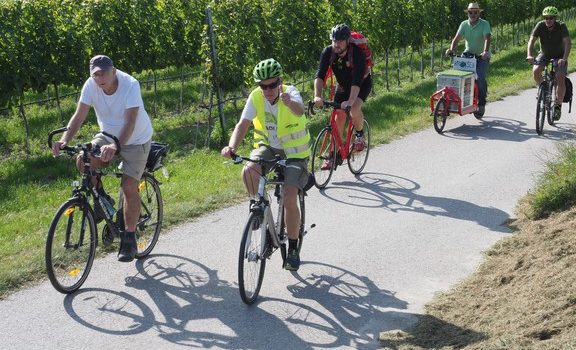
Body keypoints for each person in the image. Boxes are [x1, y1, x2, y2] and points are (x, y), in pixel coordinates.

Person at [51, 55, 153, 263]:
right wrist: (63, 141)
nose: (100, 78)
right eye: (95, 74)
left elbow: (131, 121)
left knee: (128, 186)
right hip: (107, 135)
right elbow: (79, 116)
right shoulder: (91, 85)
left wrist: (116, 146)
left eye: (103, 73)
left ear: (113, 71)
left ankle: (129, 238)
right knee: (83, 160)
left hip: (136, 138)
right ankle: (102, 201)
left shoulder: (130, 85)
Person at [221, 58, 310, 271]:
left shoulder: (290, 93)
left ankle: (294, 249)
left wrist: (290, 103)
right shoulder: (255, 97)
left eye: (272, 85)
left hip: (294, 153)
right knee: (248, 170)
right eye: (263, 85)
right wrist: (231, 146)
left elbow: (299, 110)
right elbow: (243, 124)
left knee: (289, 197)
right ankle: (259, 209)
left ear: (280, 82)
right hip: (268, 147)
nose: (268, 89)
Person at [313, 23, 372, 169]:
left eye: (339, 41)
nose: (336, 44)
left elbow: (357, 81)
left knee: (354, 109)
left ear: (347, 41)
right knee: (338, 117)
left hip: (362, 83)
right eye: (334, 41)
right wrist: (317, 96)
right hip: (344, 85)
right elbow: (320, 75)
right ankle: (333, 156)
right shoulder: (328, 52)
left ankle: (359, 135)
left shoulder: (357, 54)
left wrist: (350, 102)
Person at [446, 2, 491, 117]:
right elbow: (456, 39)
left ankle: (481, 103)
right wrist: (451, 49)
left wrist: (485, 52)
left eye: (475, 12)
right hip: (468, 54)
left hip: (481, 56)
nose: (473, 14)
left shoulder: (484, 24)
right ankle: (457, 101)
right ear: (468, 13)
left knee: (480, 78)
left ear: (479, 13)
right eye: (471, 12)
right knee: (458, 76)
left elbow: (487, 38)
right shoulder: (464, 24)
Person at [527, 6, 571, 121]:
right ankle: (544, 88)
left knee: (559, 77)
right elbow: (531, 40)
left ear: (555, 18)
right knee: (536, 71)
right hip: (545, 54)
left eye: (551, 18)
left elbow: (567, 43)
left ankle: (557, 105)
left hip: (559, 56)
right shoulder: (540, 25)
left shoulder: (561, 26)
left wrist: (564, 58)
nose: (548, 20)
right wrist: (529, 55)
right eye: (546, 18)